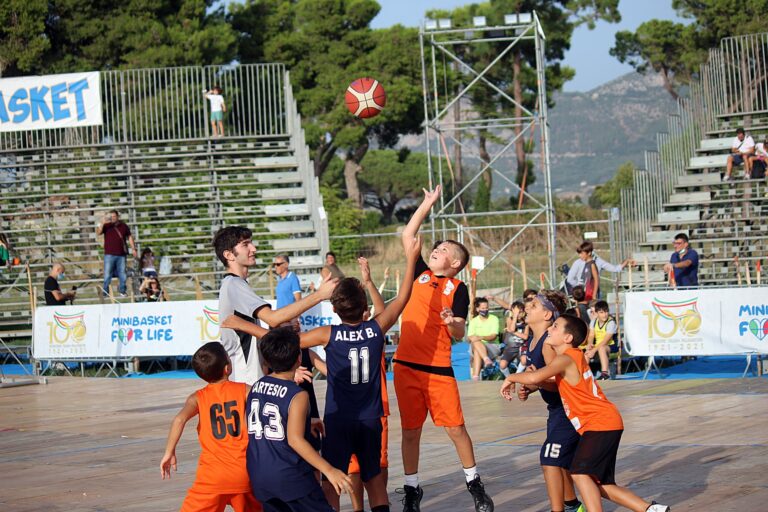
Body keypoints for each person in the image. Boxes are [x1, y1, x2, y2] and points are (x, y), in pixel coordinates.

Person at [500, 315, 671, 512]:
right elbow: (547, 382)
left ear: (568, 338)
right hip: (604, 423)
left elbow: (535, 375)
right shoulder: (572, 358)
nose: (550, 329)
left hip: (600, 423)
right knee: (600, 485)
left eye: (555, 327)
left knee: (580, 474)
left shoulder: (566, 358)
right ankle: (650, 509)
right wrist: (530, 387)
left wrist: (511, 377)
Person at [392, 186, 494, 512]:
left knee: (456, 429)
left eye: (445, 248)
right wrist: (425, 204)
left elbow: (461, 331)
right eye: (438, 246)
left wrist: (451, 323)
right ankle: (412, 490)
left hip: (437, 368)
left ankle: (474, 482)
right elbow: (409, 234)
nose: (437, 248)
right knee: (410, 431)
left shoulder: (458, 288)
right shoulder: (419, 273)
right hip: (406, 365)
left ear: (456, 262)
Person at [212, 226, 337, 385]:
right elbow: (273, 319)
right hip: (243, 380)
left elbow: (261, 335)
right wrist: (319, 295)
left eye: (251, 243)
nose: (253, 248)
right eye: (246, 244)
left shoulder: (236, 284)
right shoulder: (234, 284)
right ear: (229, 255)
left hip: (247, 377)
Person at [246, 327, 353, 512]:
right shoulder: (298, 394)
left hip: (259, 475)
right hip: (290, 477)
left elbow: (267, 421)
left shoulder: (256, 386)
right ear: (298, 358)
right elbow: (295, 440)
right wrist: (329, 470)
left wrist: (305, 421)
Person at [160, 342, 261, 512]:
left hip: (212, 476)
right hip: (244, 473)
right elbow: (271, 405)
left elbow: (179, 420)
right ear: (227, 368)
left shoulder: (197, 398)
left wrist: (169, 452)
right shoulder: (244, 390)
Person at [516, 291, 585, 512]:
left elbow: (559, 383)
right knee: (561, 463)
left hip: (567, 410)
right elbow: (546, 379)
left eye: (533, 305)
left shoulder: (548, 343)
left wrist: (535, 380)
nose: (527, 307)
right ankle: (574, 506)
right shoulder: (533, 340)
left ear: (547, 314)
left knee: (549, 460)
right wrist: (531, 386)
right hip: (556, 410)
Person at [273, 253, 323, 452]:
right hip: (282, 325)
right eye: (274, 264)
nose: (275, 267)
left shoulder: (292, 278)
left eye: (278, 264)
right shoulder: (280, 280)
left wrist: (294, 319)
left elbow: (297, 300)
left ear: (286, 264)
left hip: (288, 322)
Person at [566, 241, 632, 300]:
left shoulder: (596, 262)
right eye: (579, 253)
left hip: (593, 294)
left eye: (581, 253)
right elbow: (569, 279)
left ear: (589, 253)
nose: (580, 255)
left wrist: (627, 261)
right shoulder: (578, 262)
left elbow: (615, 269)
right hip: (583, 295)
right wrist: (579, 286)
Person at [97, 210, 136, 297]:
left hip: (121, 254)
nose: (113, 218)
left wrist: (133, 248)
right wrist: (101, 223)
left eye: (114, 216)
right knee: (107, 273)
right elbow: (98, 232)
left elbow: (129, 236)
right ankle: (105, 291)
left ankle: (122, 290)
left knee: (122, 273)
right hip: (109, 254)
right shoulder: (107, 226)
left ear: (118, 216)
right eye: (111, 216)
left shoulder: (123, 226)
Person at [467, 297, 501, 381]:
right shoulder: (473, 321)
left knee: (476, 348)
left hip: (492, 346)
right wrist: (475, 339)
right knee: (476, 344)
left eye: (486, 308)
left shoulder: (494, 319)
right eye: (483, 308)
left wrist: (480, 337)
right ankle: (486, 359)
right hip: (478, 346)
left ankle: (475, 377)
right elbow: (469, 338)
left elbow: (494, 336)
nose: (485, 310)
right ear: (477, 309)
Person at [584, 300, 617, 381]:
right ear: (597, 313)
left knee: (601, 348)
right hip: (598, 345)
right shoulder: (593, 321)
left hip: (610, 346)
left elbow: (605, 341)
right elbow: (591, 335)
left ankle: (605, 374)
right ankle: (583, 374)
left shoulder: (611, 323)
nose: (605, 314)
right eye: (601, 312)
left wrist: (594, 350)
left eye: (606, 312)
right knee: (587, 352)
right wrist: (590, 344)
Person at [499, 301, 529, 377]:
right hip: (510, 347)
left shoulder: (526, 323)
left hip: (521, 347)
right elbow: (512, 328)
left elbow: (525, 337)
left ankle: (516, 376)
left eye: (520, 312)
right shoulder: (509, 319)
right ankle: (509, 378)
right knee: (502, 365)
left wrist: (514, 332)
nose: (518, 314)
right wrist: (515, 316)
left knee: (524, 360)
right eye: (516, 312)